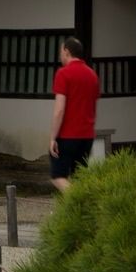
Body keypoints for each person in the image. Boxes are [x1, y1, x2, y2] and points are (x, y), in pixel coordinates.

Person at [48, 37, 100, 191]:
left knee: (58, 176)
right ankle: (78, 210)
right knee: (79, 176)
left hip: (67, 135)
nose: (60, 55)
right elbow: (93, 106)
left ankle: (80, 204)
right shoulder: (92, 75)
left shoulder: (63, 74)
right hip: (87, 135)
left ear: (66, 51)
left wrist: (53, 137)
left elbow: (59, 110)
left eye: (61, 52)